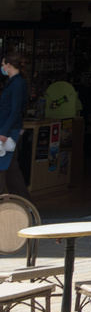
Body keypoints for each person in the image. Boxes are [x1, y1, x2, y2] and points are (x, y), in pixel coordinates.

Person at [0, 48, 30, 201]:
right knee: (11, 168)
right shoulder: (14, 82)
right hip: (8, 128)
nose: (2, 68)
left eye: (3, 65)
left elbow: (15, 110)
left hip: (8, 130)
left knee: (2, 166)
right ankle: (25, 203)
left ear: (9, 65)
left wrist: (4, 132)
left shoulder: (17, 84)